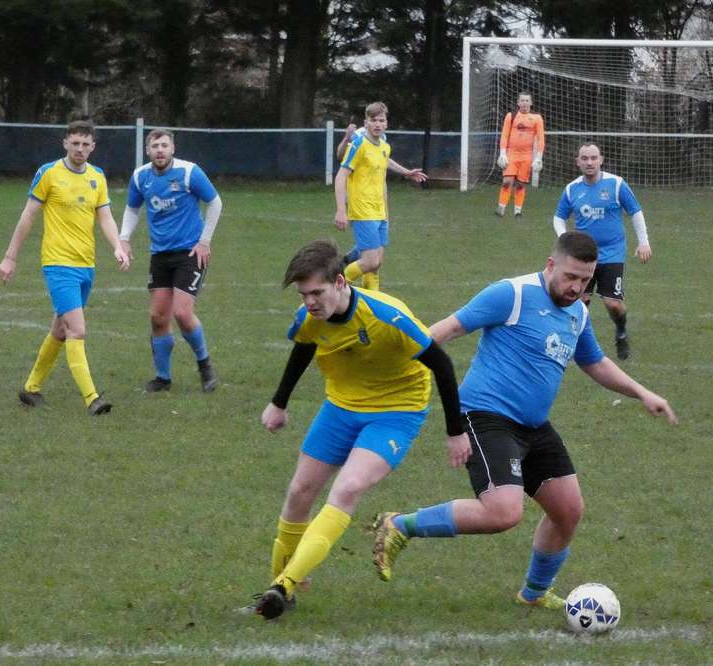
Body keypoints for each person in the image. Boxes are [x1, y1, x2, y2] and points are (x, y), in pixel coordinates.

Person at [372, 231, 676, 610]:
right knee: (503, 512)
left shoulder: (578, 312)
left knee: (568, 511)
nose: (576, 287)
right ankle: (400, 525)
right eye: (570, 277)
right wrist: (390, 366)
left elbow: (595, 362)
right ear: (551, 265)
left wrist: (642, 392)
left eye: (585, 280)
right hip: (485, 416)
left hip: (533, 426)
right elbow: (445, 330)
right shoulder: (511, 294)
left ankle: (533, 595)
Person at [252, 238, 470, 620]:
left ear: (340, 282)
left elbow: (443, 365)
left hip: (396, 411)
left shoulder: (387, 316)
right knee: (299, 492)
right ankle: (277, 588)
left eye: (317, 292)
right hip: (341, 406)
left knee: (348, 488)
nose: (309, 302)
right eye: (304, 294)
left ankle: (283, 585)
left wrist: (456, 430)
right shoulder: (309, 318)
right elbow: (304, 346)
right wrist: (279, 402)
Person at [0, 120, 130, 415]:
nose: (80, 149)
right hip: (58, 264)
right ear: (65, 143)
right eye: (75, 143)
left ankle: (31, 388)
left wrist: (118, 246)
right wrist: (10, 256)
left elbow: (105, 217)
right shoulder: (49, 173)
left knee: (60, 329)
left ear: (93, 147)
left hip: (86, 265)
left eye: (85, 144)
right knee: (77, 330)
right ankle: (92, 399)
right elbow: (28, 215)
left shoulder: (97, 176)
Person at [119, 128, 222, 393]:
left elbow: (215, 202)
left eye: (164, 145)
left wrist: (204, 241)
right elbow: (132, 208)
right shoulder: (141, 176)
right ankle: (163, 378)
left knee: (183, 313)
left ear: (173, 148)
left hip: (190, 253)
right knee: (157, 316)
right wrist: (124, 237)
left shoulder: (189, 172)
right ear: (148, 150)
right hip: (160, 254)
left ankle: (204, 364)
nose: (160, 150)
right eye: (155, 146)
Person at [553, 143, 651, 361]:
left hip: (612, 253)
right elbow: (559, 216)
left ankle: (621, 330)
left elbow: (635, 212)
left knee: (613, 304)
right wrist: (563, 236)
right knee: (579, 301)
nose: (589, 162)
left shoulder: (616, 184)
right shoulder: (572, 189)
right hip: (583, 255)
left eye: (593, 158)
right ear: (578, 161)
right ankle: (575, 344)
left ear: (601, 160)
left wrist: (643, 242)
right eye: (585, 158)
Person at [334, 103, 427, 290]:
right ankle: (335, 285)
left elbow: (385, 159)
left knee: (376, 265)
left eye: (381, 120)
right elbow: (341, 175)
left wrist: (406, 172)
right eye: (373, 120)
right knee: (370, 262)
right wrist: (341, 210)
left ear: (386, 123)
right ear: (366, 123)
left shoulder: (384, 145)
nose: (377, 124)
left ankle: (371, 302)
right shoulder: (359, 144)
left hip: (380, 209)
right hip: (362, 209)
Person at [496, 92, 545, 217]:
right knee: (507, 181)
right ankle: (501, 208)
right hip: (511, 153)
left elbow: (540, 138)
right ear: (518, 103)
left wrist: (538, 158)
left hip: (527, 155)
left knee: (520, 184)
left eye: (527, 100)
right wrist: (502, 153)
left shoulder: (537, 118)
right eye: (522, 100)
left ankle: (518, 211)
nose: (524, 103)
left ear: (531, 103)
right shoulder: (511, 116)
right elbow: (504, 135)